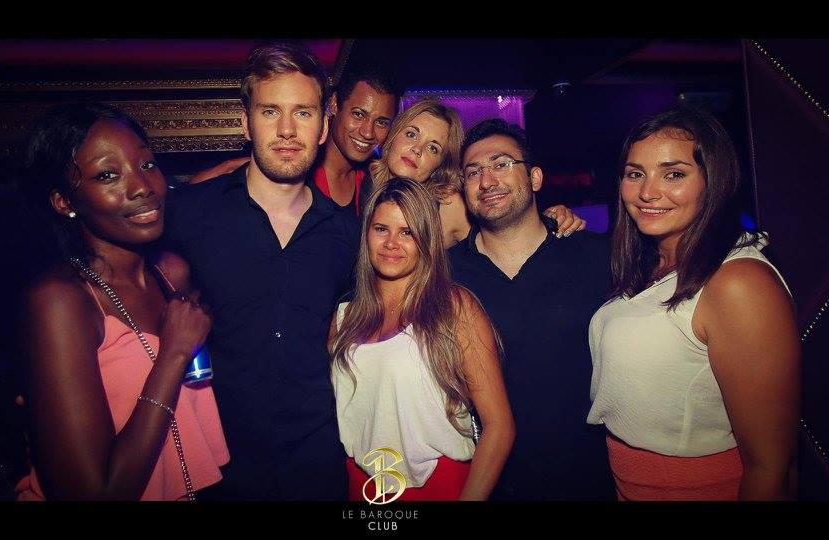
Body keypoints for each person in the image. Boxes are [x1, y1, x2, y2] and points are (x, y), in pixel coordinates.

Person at [160, 43, 357, 500]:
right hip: (220, 467)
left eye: (303, 113)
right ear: (246, 122)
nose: (287, 130)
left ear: (324, 125)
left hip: (316, 465)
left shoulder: (347, 234)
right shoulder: (190, 213)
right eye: (271, 111)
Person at [15, 103, 229, 500]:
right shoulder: (60, 301)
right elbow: (94, 493)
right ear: (64, 202)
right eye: (107, 175)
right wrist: (173, 354)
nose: (142, 187)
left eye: (147, 164)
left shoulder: (171, 273)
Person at [587, 107, 800, 500]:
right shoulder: (650, 262)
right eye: (635, 174)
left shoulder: (739, 282)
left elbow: (770, 465)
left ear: (712, 181)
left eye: (674, 174)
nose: (648, 192)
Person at [447, 119, 616, 500]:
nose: (487, 181)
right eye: (473, 172)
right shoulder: (444, 274)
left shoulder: (598, 257)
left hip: (590, 482)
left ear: (535, 178)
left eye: (501, 164)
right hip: (490, 484)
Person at [329, 177, 514, 501]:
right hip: (363, 486)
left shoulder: (452, 307)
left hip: (440, 486)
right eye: (381, 229)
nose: (391, 243)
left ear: (426, 239)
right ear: (366, 234)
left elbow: (499, 427)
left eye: (407, 232)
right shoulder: (344, 318)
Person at [191, 62, 401, 217]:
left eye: (381, 122)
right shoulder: (293, 162)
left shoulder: (373, 181)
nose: (367, 132)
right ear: (334, 104)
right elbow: (198, 189)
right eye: (358, 114)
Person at [369, 99, 586, 247]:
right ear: (393, 134)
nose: (417, 149)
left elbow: (499, 246)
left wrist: (549, 222)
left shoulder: (447, 205)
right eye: (411, 134)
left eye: (433, 148)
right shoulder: (361, 183)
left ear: (440, 165)